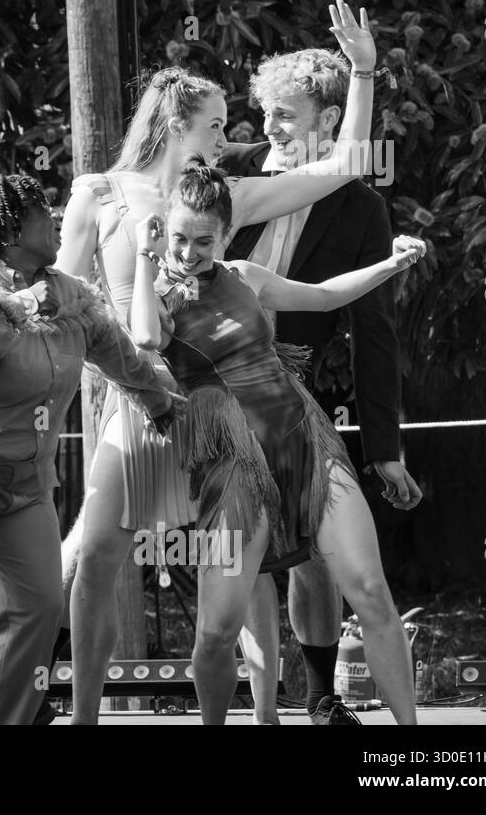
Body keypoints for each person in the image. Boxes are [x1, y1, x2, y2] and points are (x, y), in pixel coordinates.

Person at [54, 0, 380, 723]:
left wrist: (362, 72)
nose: (228, 136)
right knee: (100, 550)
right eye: (214, 124)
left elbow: (345, 163)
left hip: (221, 409)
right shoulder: (98, 194)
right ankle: (79, 714)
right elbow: (64, 297)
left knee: (247, 569)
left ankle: (262, 715)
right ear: (178, 123)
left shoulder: (222, 197)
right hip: (136, 405)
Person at [129, 159, 423, 725]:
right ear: (164, 227)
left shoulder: (243, 274)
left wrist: (392, 262)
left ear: (226, 235)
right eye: (180, 237)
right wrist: (147, 256)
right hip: (233, 462)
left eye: (204, 240)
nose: (190, 251)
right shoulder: (157, 293)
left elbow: (324, 296)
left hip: (303, 435)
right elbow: (144, 338)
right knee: (216, 629)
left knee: (369, 588)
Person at [0, 174, 178, 725]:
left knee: (41, 604)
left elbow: (118, 354)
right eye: (45, 210)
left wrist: (161, 402)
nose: (56, 219)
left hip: (24, 479)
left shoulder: (68, 292)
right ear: (15, 230)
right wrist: (11, 308)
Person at [220, 47, 422, 725]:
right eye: (266, 110)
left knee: (313, 556)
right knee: (246, 560)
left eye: (286, 112)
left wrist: (384, 448)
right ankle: (262, 710)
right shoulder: (226, 173)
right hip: (214, 393)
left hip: (293, 389)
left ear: (330, 117)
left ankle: (321, 697)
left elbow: (376, 329)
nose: (269, 124)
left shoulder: (361, 206)